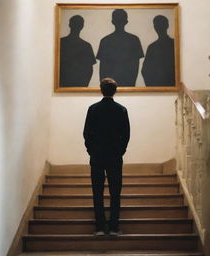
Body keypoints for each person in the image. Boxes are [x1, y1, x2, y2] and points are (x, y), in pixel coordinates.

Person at [83, 78, 130, 236]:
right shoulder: (121, 110)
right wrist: (120, 151)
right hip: (115, 156)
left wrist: (91, 150)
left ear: (101, 90)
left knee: (98, 191)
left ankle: (99, 227)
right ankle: (114, 226)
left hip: (97, 155)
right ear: (115, 91)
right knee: (115, 192)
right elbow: (126, 134)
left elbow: (86, 133)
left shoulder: (93, 109)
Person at [96, 9, 144, 87]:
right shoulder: (134, 39)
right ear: (126, 21)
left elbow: (102, 68)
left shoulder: (105, 40)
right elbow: (135, 65)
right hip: (126, 82)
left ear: (112, 21)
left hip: (113, 84)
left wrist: (103, 85)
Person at [60, 15, 96, 87]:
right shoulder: (86, 46)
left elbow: (89, 70)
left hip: (63, 84)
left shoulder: (61, 42)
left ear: (70, 24)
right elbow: (89, 70)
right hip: (77, 84)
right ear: (82, 26)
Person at [142, 15, 175, 86]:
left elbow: (145, 71)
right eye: (157, 25)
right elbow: (145, 71)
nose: (158, 27)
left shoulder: (152, 47)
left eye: (159, 24)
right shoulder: (152, 47)